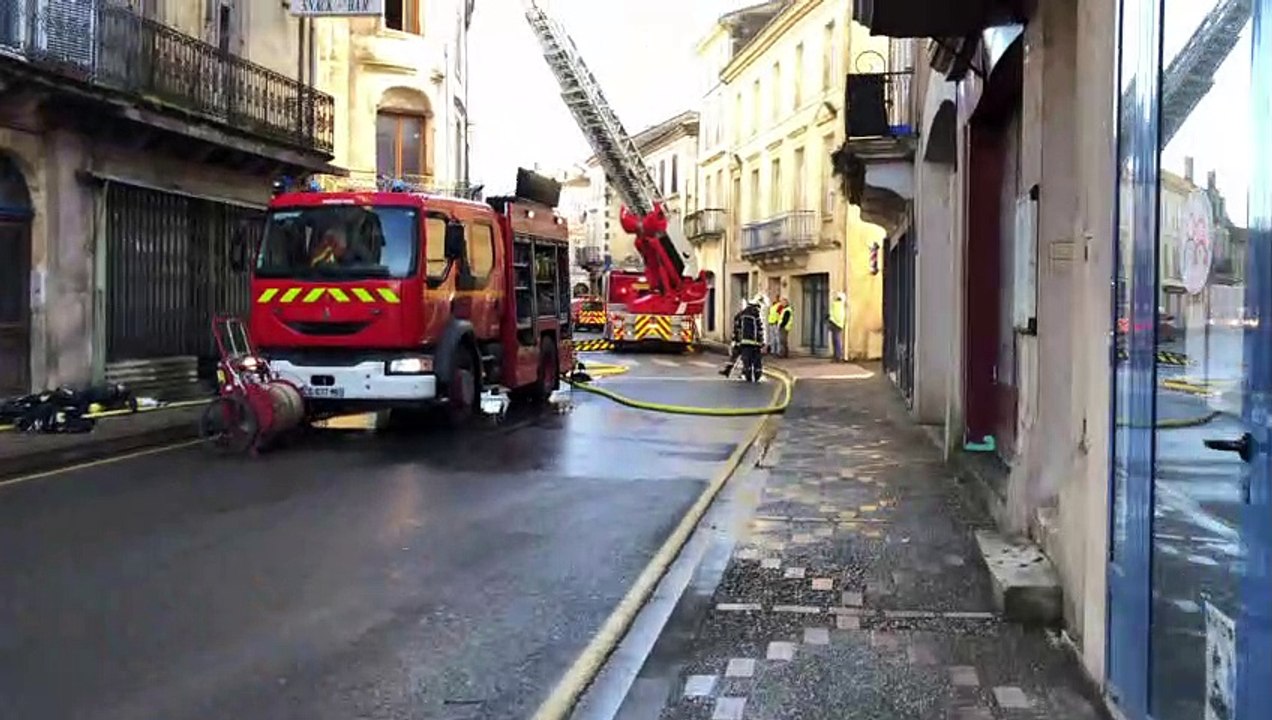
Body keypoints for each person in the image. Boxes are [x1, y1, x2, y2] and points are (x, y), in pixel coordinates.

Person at [721, 296, 766, 381]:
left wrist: (735, 340)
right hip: (756, 343)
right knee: (756, 360)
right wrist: (762, 342)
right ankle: (757, 375)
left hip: (744, 342)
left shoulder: (742, 315)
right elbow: (760, 330)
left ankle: (741, 373)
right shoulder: (756, 316)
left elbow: (737, 328)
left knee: (744, 359)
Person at [828, 291, 847, 362]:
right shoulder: (841, 305)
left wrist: (831, 320)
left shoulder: (835, 305)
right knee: (836, 340)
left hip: (835, 324)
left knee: (836, 340)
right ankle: (837, 356)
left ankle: (837, 356)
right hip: (838, 324)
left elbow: (832, 314)